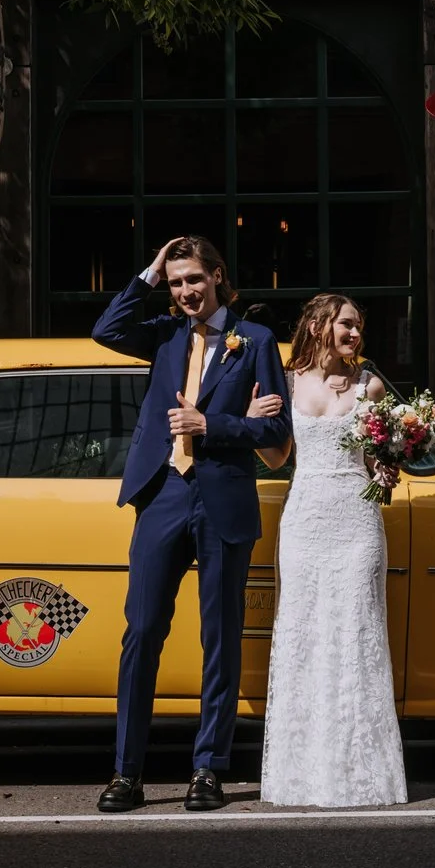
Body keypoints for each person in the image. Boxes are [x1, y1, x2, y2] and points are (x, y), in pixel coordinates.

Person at [92, 235, 290, 813]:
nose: (185, 292)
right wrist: (151, 271)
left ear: (217, 277)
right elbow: (106, 330)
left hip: (223, 497)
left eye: (193, 279)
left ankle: (208, 768)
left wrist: (215, 424)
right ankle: (126, 772)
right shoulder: (163, 333)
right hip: (163, 493)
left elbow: (277, 435)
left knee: (220, 637)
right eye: (176, 282)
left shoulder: (255, 341)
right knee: (142, 630)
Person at [259, 294, 408, 808]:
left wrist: (387, 467)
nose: (355, 333)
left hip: (357, 520)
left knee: (356, 630)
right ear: (319, 326)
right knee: (303, 632)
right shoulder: (287, 380)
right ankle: (302, 774)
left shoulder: (370, 384)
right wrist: (252, 419)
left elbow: (378, 459)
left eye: (359, 326)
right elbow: (277, 457)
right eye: (347, 324)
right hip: (304, 519)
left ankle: (360, 773)